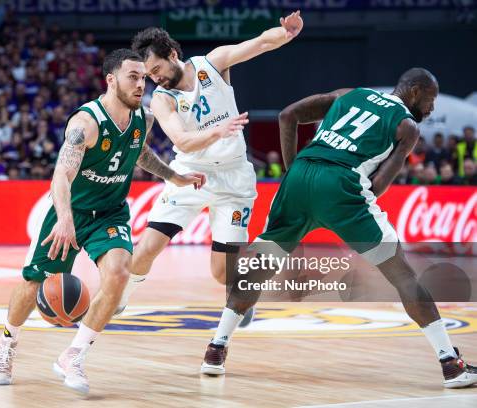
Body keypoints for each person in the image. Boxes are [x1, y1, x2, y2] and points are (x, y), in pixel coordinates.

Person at [204, 68, 477, 388]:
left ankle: (216, 349)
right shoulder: (407, 125)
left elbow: (288, 115)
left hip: (300, 177)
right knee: (403, 275)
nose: (431, 109)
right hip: (342, 185)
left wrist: (295, 174)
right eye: (430, 100)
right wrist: (344, 204)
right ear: (415, 92)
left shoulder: (351, 93)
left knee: (261, 268)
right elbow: (377, 186)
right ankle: (450, 363)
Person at [0, 49, 204, 394]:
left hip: (109, 212)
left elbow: (140, 152)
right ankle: (6, 347)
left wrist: (172, 176)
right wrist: (64, 219)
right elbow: (61, 175)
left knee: (119, 273)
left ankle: (73, 355)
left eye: (144, 78)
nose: (140, 84)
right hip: (69, 211)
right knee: (33, 283)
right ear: (111, 80)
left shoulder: (142, 119)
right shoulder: (85, 123)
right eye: (133, 77)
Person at [118, 11, 304, 331]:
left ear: (173, 55)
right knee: (146, 248)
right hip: (189, 174)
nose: (155, 78)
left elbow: (259, 43)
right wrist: (217, 132)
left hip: (232, 177)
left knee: (222, 273)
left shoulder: (213, 63)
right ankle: (119, 296)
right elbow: (182, 141)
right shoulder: (162, 99)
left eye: (158, 69)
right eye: (150, 75)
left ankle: (248, 285)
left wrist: (286, 33)